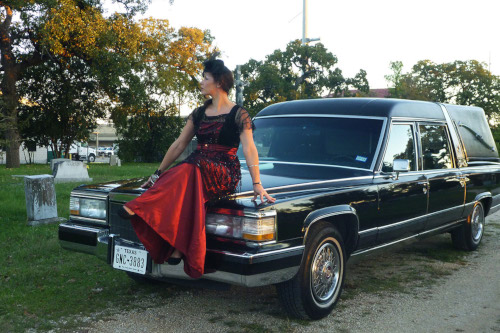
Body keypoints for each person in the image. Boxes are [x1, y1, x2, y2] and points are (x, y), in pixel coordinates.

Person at [118, 59, 275, 279]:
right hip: (195, 168)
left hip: (224, 170)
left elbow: (249, 149)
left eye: (205, 78)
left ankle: (142, 206)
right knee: (188, 178)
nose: (201, 82)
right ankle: (178, 248)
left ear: (219, 82)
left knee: (190, 168)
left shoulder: (239, 114)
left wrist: (257, 183)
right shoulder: (199, 113)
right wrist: (157, 174)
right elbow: (179, 145)